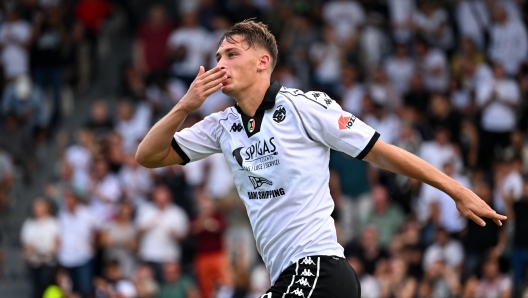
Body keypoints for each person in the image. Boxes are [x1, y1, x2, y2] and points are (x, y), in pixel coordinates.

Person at [136, 19, 506, 297]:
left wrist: (456, 190)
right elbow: (148, 156)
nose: (221, 65)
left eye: (232, 55)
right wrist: (185, 105)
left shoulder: (303, 107)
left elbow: (382, 152)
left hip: (319, 270)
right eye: (218, 57)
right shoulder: (222, 125)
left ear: (263, 62)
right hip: (287, 277)